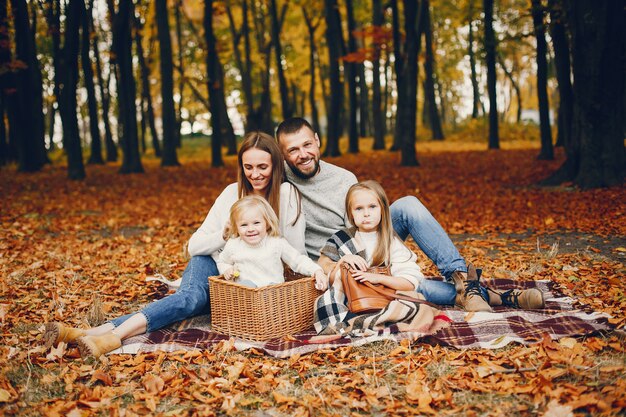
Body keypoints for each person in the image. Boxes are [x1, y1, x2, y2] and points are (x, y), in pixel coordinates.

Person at [43, 131, 315, 358]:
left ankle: (88, 334)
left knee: (186, 305)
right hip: (212, 262)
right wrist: (225, 235)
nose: (255, 174)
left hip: (244, 284)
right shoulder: (230, 194)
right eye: (248, 167)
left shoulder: (288, 195)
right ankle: (113, 338)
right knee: (189, 299)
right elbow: (194, 246)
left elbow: (294, 252)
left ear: (275, 166)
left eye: (262, 167)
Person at [275, 117, 543, 312]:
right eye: (293, 150)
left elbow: (360, 227)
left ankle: (462, 279)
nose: (303, 154)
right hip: (331, 264)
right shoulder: (278, 184)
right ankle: (500, 297)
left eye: (307, 145)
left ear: (318, 141)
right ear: (283, 155)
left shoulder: (344, 178)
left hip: (362, 241)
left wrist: (378, 266)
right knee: (415, 286)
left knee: (408, 205)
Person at [317, 180, 544, 313]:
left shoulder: (389, 241)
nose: (366, 213)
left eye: (372, 207)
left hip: (396, 286)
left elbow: (411, 281)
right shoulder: (342, 238)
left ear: (382, 210)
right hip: (366, 295)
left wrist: (380, 279)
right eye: (359, 209)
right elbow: (324, 262)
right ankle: (491, 295)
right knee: (429, 291)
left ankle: (496, 295)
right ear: (350, 214)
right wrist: (343, 260)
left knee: (428, 290)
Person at [217, 195, 326, 288]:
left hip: (273, 295)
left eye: (256, 223)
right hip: (246, 298)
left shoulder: (276, 243)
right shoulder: (234, 245)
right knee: (245, 286)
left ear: (267, 223)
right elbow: (222, 261)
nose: (250, 229)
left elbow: (297, 260)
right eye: (244, 225)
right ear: (236, 227)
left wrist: (316, 270)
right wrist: (226, 269)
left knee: (274, 289)